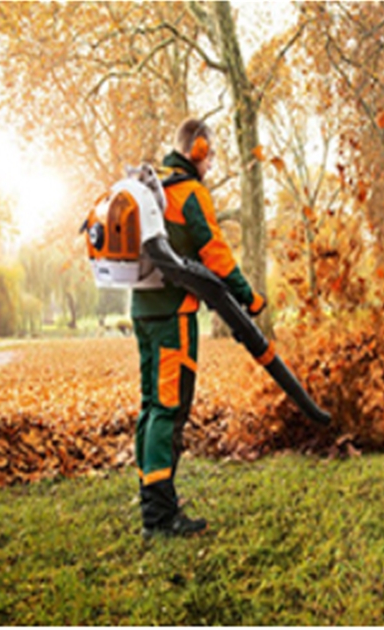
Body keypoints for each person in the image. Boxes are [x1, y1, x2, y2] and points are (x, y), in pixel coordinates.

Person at [132, 118, 266, 538]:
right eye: (209, 155)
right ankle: (159, 515)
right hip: (175, 315)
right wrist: (249, 296)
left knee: (152, 405)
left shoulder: (151, 189)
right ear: (200, 149)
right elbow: (215, 253)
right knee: (169, 409)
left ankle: (153, 496)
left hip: (143, 310)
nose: (210, 164)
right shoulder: (189, 193)